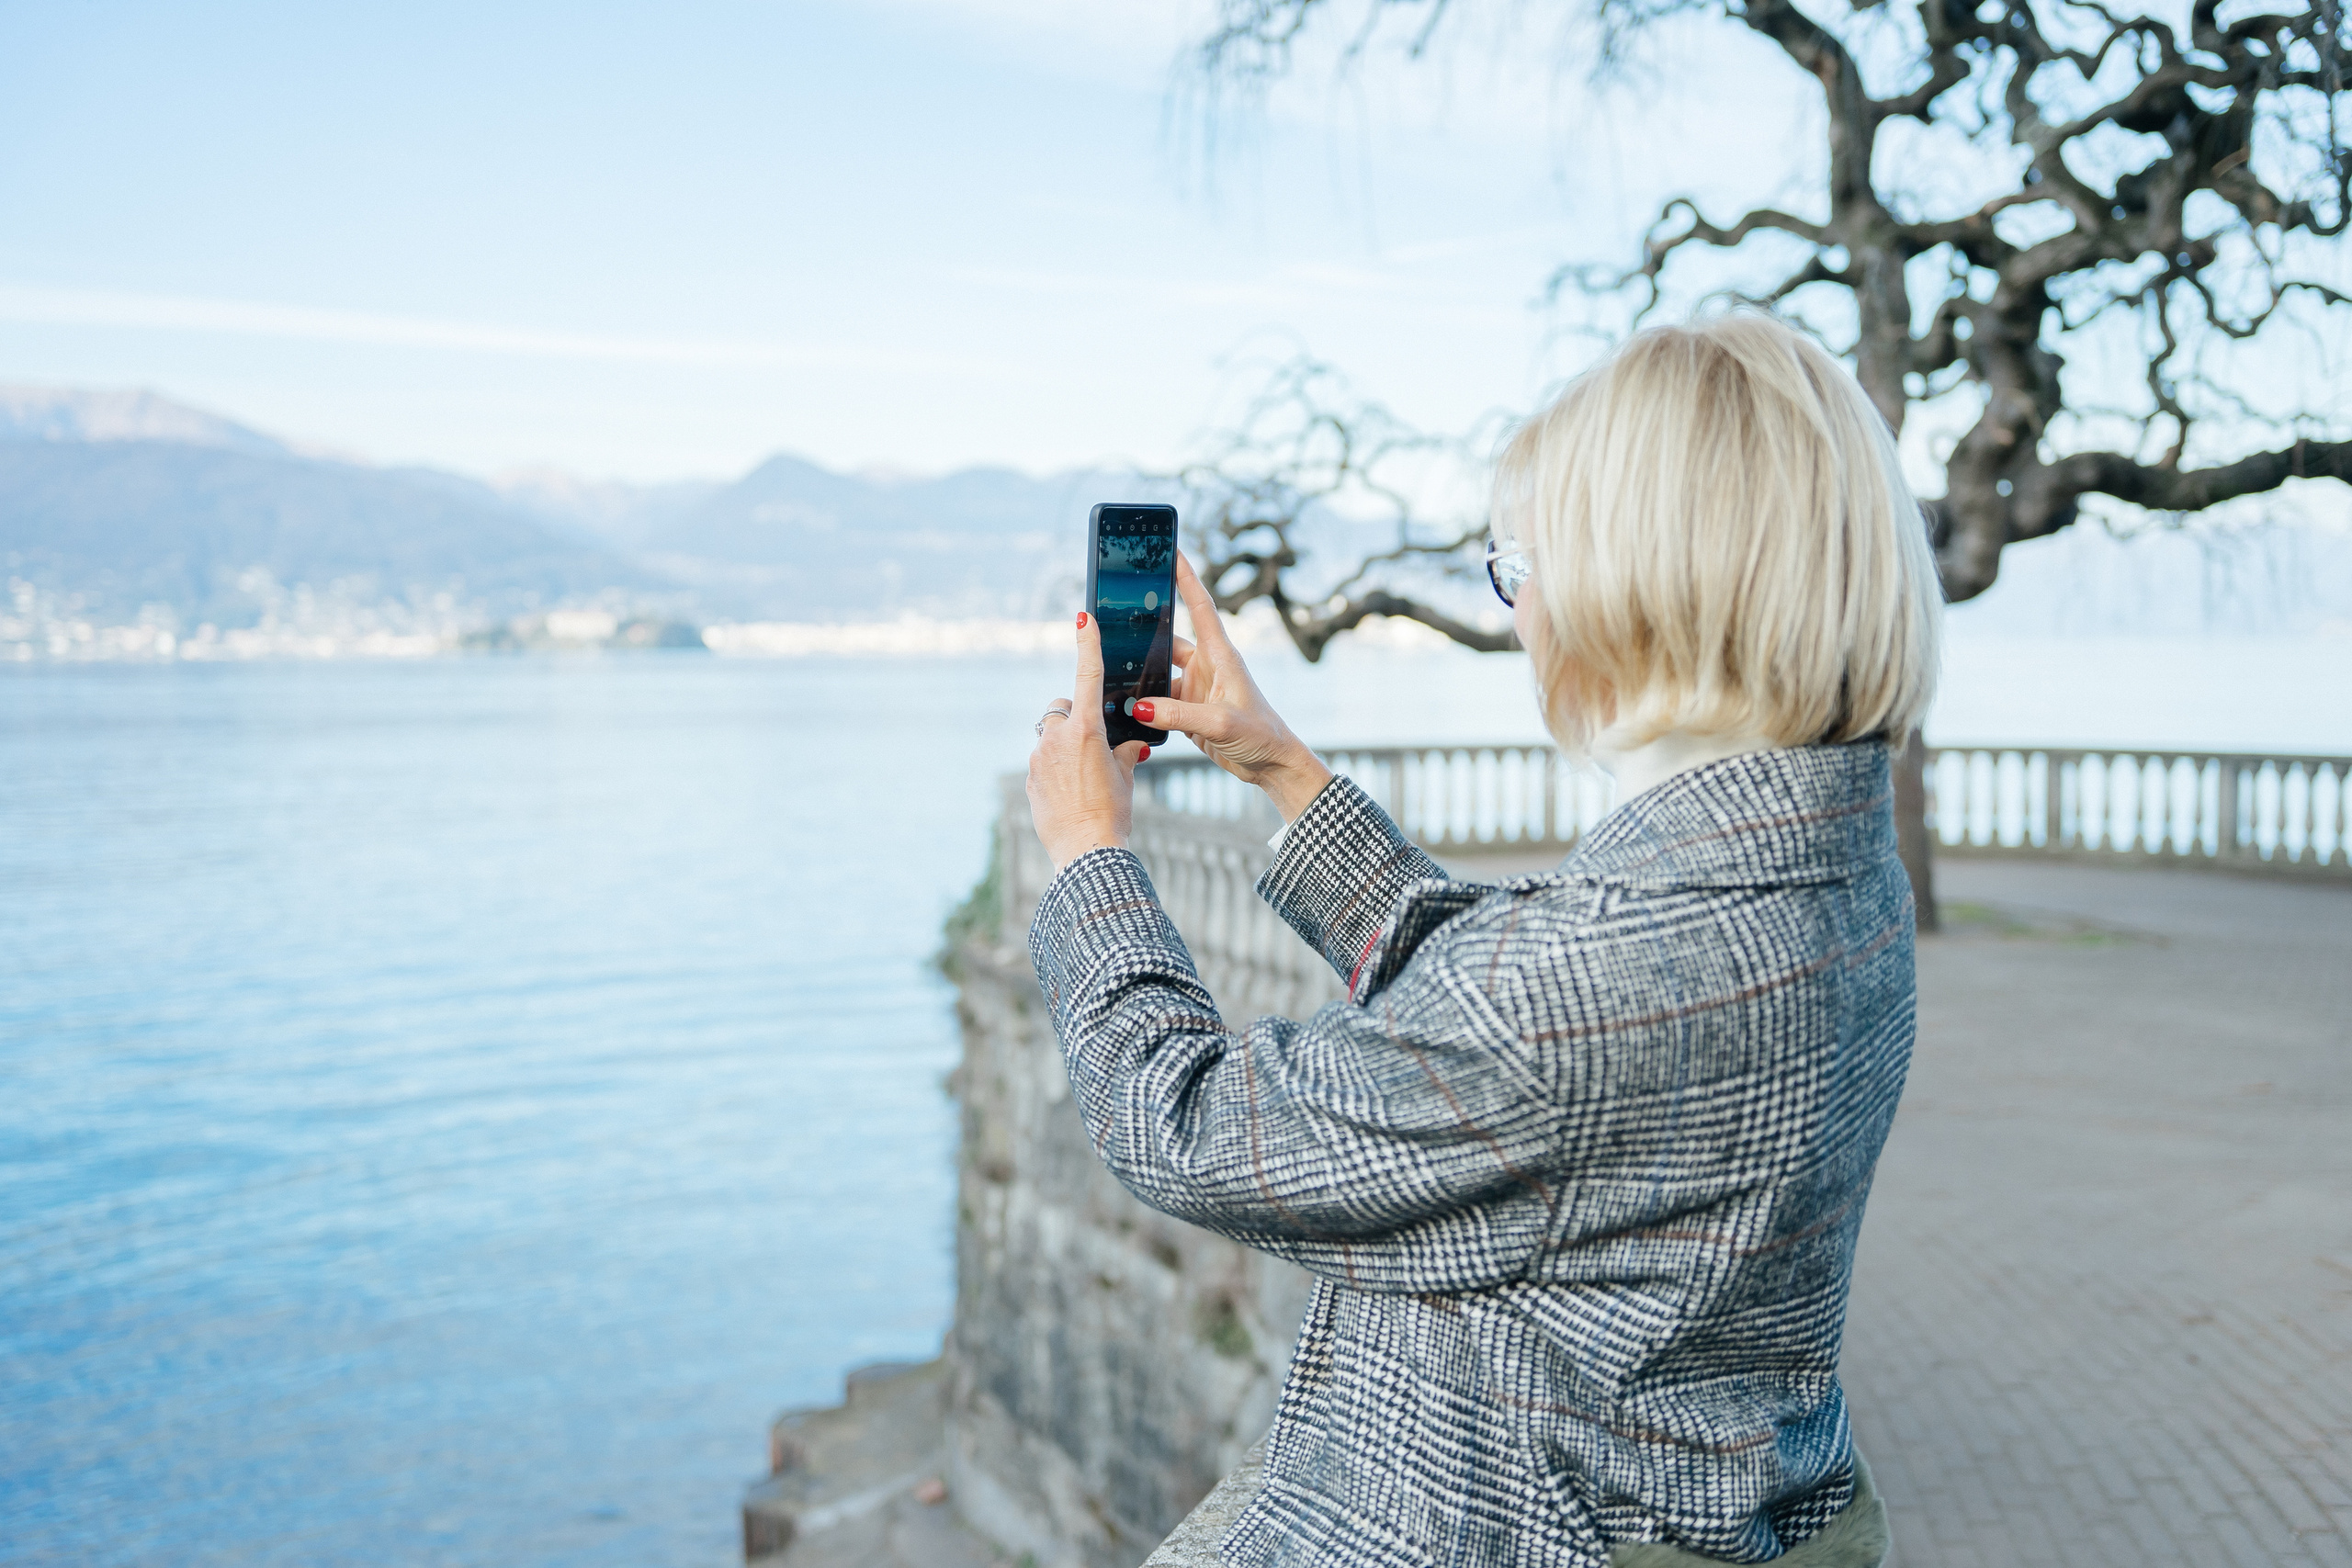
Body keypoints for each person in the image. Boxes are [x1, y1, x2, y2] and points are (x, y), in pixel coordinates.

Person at [1023, 312, 1939, 1568]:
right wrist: (1286, 772)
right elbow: (1508, 1036)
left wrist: (1088, 857)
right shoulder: (1838, 879)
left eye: (1527, 568)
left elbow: (1181, 1121)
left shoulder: (1584, 986)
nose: (1524, 615)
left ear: (1644, 592)